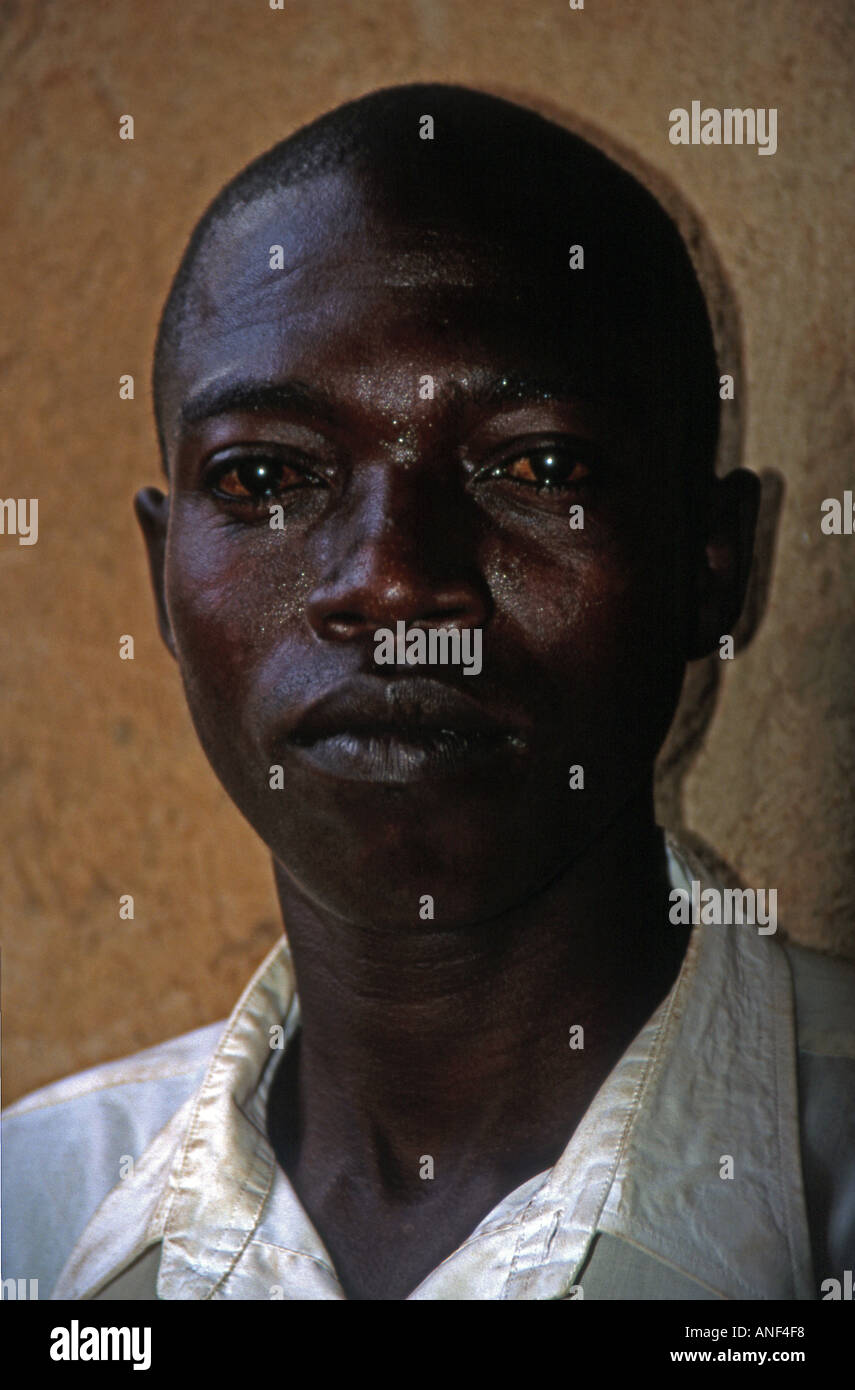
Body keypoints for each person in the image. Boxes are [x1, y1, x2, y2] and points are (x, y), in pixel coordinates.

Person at [3, 83, 853, 1302]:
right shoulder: (34, 1218)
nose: (394, 585)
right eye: (265, 475)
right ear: (162, 577)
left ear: (709, 564)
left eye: (537, 464)